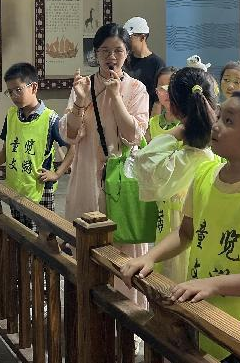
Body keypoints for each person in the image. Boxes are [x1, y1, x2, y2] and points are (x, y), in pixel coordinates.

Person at [121, 90, 240, 361]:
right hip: (204, 304)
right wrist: (150, 257)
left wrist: (214, 284)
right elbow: (186, 233)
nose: (216, 125)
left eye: (229, 121)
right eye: (219, 116)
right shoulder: (204, 174)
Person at [60, 23, 150, 304]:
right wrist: (80, 102)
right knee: (85, 249)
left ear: (127, 54)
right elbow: (70, 134)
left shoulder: (136, 89)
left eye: (118, 51)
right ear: (95, 54)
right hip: (86, 180)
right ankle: (86, 315)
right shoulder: (83, 86)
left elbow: (134, 135)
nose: (111, 57)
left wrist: (115, 95)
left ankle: (127, 319)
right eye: (105, 51)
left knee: (124, 253)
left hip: (122, 184)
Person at [134, 67, 218, 282]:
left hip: (175, 236)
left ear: (174, 106)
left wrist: (177, 131)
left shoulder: (180, 160)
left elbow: (144, 163)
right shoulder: (217, 152)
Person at [0, 63, 70, 229]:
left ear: (34, 87)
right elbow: (7, 149)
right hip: (16, 187)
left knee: (42, 235)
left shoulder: (51, 119)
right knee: (19, 231)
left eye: (18, 90)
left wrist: (57, 173)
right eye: (10, 92)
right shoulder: (12, 115)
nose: (13, 96)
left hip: (40, 189)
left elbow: (72, 147)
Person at [124, 17, 166, 113]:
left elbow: (157, 101)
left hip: (146, 116)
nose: (126, 41)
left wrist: (151, 122)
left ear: (142, 37)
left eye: (129, 37)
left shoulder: (157, 63)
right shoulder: (124, 60)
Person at [146, 66, 179, 142]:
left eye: (171, 87)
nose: (166, 92)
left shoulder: (188, 122)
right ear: (156, 91)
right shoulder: (153, 122)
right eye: (161, 88)